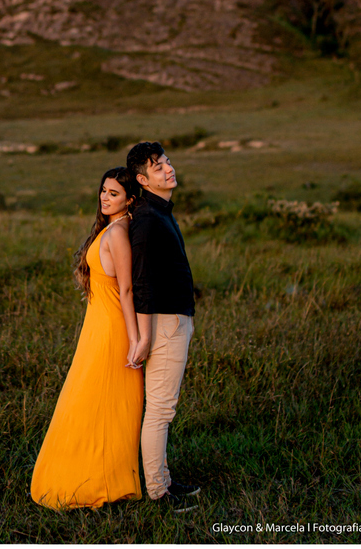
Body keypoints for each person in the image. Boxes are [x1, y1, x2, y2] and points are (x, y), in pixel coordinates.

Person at [30, 167, 143, 509]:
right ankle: (87, 470)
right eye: (104, 192)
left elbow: (126, 289)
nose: (105, 199)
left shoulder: (120, 233)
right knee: (86, 399)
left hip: (113, 330)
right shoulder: (109, 229)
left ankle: (109, 476)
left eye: (114, 194)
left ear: (130, 200)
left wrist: (136, 339)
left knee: (109, 403)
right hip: (97, 326)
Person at [126, 141, 199, 513]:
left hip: (174, 318)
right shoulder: (148, 219)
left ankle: (164, 478)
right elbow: (140, 282)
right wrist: (145, 336)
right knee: (160, 411)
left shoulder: (159, 211)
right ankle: (157, 491)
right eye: (158, 167)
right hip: (164, 323)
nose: (169, 169)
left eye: (167, 162)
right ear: (143, 179)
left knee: (162, 409)